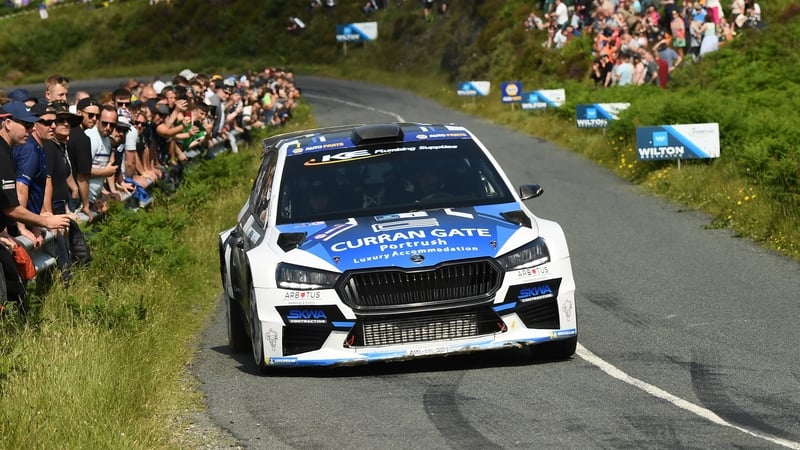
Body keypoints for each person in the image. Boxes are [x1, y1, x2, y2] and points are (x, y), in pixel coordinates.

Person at [1, 101, 72, 242]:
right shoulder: (28, 150)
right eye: (27, 125)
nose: (31, 129)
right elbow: (17, 195)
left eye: (32, 124)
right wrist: (36, 224)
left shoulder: (32, 148)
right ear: (8, 123)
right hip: (18, 223)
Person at [69, 97, 101, 222]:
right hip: (73, 196)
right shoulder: (83, 139)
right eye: (90, 115)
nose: (94, 119)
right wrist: (86, 205)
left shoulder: (68, 132)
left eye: (97, 116)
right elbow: (83, 177)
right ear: (79, 113)